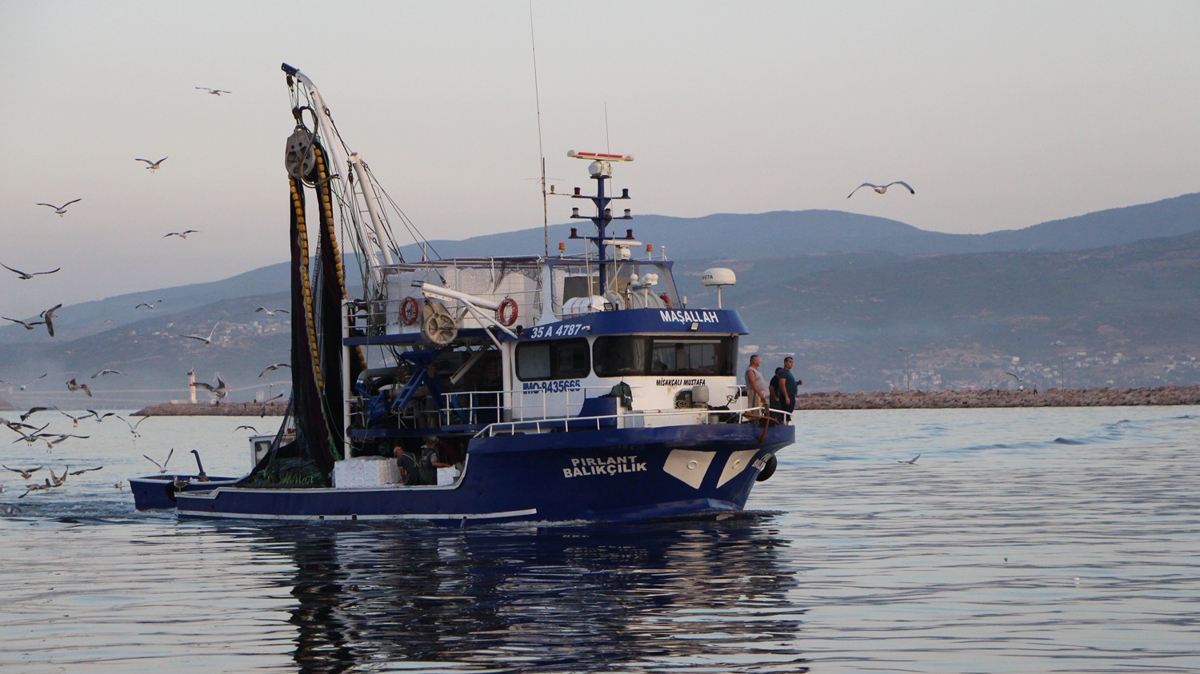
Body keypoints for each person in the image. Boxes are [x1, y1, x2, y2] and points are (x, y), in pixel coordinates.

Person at [775, 356, 802, 423]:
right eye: (790, 362)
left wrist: (797, 383)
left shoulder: (788, 373)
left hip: (791, 395)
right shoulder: (783, 372)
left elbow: (789, 384)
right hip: (787, 395)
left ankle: (786, 424)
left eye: (792, 362)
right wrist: (786, 396)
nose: (791, 364)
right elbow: (782, 384)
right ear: (785, 363)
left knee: (788, 412)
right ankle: (784, 425)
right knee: (785, 413)